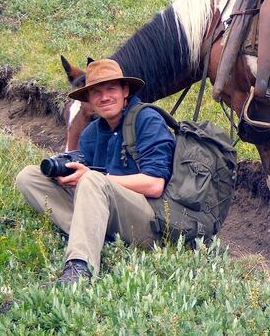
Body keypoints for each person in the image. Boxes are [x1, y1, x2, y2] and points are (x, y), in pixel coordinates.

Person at [15, 59, 175, 284]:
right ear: (88, 99)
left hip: (149, 221)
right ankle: (92, 234)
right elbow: (87, 177)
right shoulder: (91, 132)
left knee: (91, 178)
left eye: (111, 89)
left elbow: (155, 185)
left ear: (125, 90)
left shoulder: (147, 120)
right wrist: (66, 174)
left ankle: (80, 269)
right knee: (28, 176)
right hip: (107, 211)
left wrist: (95, 178)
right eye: (96, 92)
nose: (104, 97)